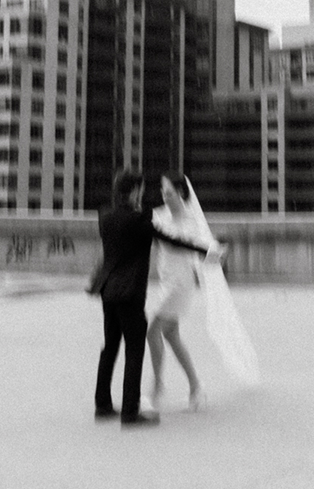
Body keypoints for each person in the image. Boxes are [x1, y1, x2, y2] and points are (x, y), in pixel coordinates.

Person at [91, 168, 219, 427]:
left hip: (110, 290)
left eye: (167, 191)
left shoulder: (105, 216)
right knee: (139, 346)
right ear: (136, 191)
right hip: (131, 292)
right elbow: (172, 240)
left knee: (112, 346)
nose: (159, 194)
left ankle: (104, 404)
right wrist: (206, 250)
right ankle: (133, 408)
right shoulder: (142, 220)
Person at [145, 170, 259, 408]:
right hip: (165, 280)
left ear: (180, 193)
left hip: (182, 283)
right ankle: (196, 386)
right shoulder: (157, 215)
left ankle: (157, 386)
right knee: (171, 335)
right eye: (162, 192)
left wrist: (215, 252)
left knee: (152, 330)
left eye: (168, 193)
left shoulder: (192, 220)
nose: (164, 196)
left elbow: (204, 251)